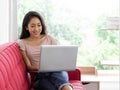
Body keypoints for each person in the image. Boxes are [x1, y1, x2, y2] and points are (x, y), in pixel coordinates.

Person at [17, 11, 73, 90]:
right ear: (26, 27)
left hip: (56, 72)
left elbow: (57, 58)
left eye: (39, 25)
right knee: (47, 86)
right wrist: (40, 68)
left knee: (66, 87)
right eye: (32, 26)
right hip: (40, 75)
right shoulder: (22, 43)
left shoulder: (49, 39)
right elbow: (29, 67)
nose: (36, 29)